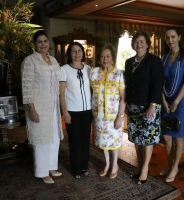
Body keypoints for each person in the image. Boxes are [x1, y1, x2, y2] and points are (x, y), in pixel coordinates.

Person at [21, 30, 64, 184]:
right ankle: (42, 171)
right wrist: (32, 109)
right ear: (35, 44)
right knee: (41, 140)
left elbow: (60, 81)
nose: (43, 44)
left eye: (45, 41)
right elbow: (26, 87)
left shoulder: (53, 60)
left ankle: (52, 166)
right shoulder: (30, 61)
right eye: (39, 42)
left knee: (54, 137)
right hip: (39, 106)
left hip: (53, 106)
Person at [124, 31, 164, 185]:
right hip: (133, 106)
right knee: (137, 139)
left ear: (147, 44)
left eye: (141, 41)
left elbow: (157, 84)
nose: (138, 44)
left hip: (149, 106)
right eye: (136, 41)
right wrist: (127, 103)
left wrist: (153, 105)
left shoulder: (154, 61)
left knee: (147, 140)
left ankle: (145, 170)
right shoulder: (128, 62)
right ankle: (139, 166)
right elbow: (127, 85)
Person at [160, 27, 184, 183]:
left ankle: (174, 168)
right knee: (166, 137)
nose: (170, 40)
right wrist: (164, 100)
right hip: (166, 100)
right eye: (168, 38)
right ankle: (169, 164)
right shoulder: (164, 57)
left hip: (181, 102)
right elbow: (160, 82)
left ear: (179, 37)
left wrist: (176, 101)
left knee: (178, 137)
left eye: (173, 37)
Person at [89, 43, 126, 179]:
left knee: (114, 142)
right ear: (99, 58)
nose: (105, 59)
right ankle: (107, 164)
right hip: (98, 116)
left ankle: (114, 164)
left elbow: (123, 97)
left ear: (112, 58)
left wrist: (120, 116)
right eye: (103, 56)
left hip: (114, 116)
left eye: (108, 56)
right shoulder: (93, 73)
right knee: (103, 142)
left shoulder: (118, 74)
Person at [59, 42, 92, 179]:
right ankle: (76, 169)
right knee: (74, 140)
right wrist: (65, 111)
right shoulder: (64, 69)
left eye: (79, 50)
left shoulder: (89, 69)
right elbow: (61, 93)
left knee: (85, 140)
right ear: (69, 54)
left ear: (83, 53)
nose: (77, 53)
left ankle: (84, 166)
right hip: (72, 110)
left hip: (87, 110)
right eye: (73, 51)